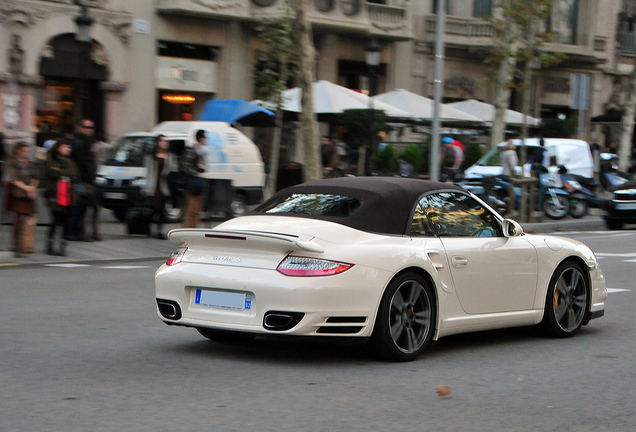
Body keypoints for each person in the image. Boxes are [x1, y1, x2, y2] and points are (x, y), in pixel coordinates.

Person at [43, 140, 79, 256]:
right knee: (55, 220)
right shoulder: (50, 160)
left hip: (68, 195)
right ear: (58, 148)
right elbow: (50, 173)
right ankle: (49, 245)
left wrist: (60, 172)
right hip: (55, 194)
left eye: (68, 147)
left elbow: (75, 175)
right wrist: (64, 173)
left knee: (66, 221)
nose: (68, 149)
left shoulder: (69, 161)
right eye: (65, 147)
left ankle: (62, 246)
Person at [70, 118, 101, 241]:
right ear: (81, 128)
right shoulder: (78, 141)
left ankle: (91, 232)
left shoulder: (89, 141)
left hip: (89, 179)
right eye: (87, 127)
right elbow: (81, 161)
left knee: (92, 206)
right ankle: (81, 233)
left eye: (91, 128)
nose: (89, 130)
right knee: (81, 206)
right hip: (81, 179)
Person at [6, 143, 38, 257]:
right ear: (19, 151)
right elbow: (13, 179)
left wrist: (32, 188)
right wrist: (26, 188)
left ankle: (26, 245)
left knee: (29, 219)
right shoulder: (13, 163)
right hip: (18, 194)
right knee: (18, 219)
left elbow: (35, 178)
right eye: (24, 151)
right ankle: (16, 245)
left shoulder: (30, 164)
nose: (26, 153)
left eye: (27, 151)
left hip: (28, 195)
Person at [142, 135, 174, 239]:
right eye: (161, 141)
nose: (164, 143)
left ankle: (159, 231)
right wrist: (145, 188)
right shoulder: (151, 157)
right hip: (153, 185)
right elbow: (147, 172)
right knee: (153, 208)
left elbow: (171, 171)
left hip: (163, 186)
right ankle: (148, 228)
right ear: (157, 142)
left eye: (165, 141)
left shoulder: (169, 157)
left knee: (162, 209)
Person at [182, 129, 207, 228]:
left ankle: (194, 229)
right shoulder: (192, 150)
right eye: (205, 137)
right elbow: (185, 167)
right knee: (191, 210)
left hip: (199, 184)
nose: (206, 139)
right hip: (192, 183)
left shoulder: (201, 150)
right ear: (201, 138)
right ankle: (188, 230)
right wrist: (197, 172)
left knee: (197, 210)